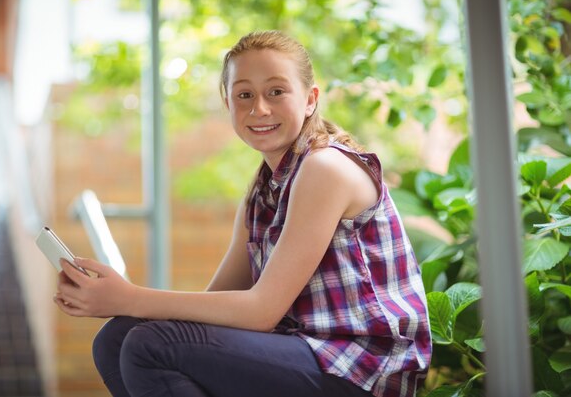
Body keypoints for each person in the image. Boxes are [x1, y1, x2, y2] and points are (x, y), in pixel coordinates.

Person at [54, 30, 432, 397]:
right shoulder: (263, 190)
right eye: (245, 95)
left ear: (311, 99)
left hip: (362, 368)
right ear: (228, 104)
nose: (260, 108)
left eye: (276, 91)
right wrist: (117, 299)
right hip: (306, 353)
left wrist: (129, 297)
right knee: (116, 339)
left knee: (152, 344)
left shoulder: (324, 168)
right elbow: (219, 301)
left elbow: (261, 311)